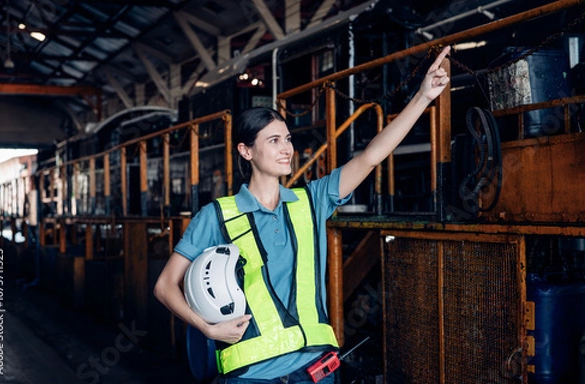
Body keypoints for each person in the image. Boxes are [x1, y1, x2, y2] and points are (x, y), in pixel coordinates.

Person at [154, 45, 451, 383]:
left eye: (288, 139)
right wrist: (208, 328)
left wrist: (423, 97)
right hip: (252, 375)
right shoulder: (217, 215)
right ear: (246, 150)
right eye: (275, 140)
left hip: (315, 371)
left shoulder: (310, 200)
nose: (287, 149)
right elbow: (165, 286)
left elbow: (371, 157)